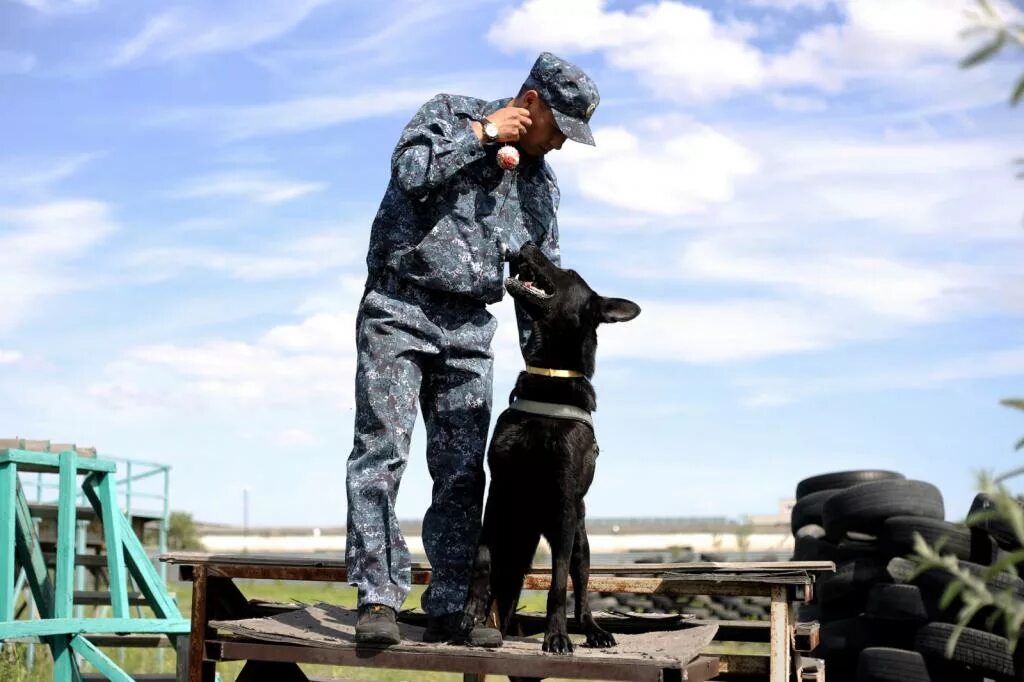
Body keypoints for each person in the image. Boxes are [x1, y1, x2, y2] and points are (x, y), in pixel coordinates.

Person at [345, 52, 600, 645]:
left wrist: (555, 381)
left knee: (461, 472)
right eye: (558, 128)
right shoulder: (447, 115)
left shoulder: (539, 188)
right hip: (398, 309)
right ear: (530, 103)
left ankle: (456, 604)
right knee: (380, 453)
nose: (560, 145)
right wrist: (482, 136)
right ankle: (379, 599)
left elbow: (541, 285)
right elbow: (409, 173)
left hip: (469, 332)